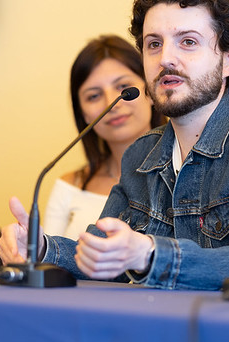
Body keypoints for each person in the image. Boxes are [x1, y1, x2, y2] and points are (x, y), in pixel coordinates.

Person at [0, 0, 229, 298]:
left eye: (188, 42)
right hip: (179, 326)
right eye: (153, 44)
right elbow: (103, 256)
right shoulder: (140, 154)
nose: (166, 59)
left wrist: (148, 254)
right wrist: (40, 248)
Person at [43, 35, 165, 239]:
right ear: (83, 114)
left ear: (151, 90)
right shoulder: (69, 187)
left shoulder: (186, 172)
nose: (112, 103)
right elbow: (45, 258)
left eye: (123, 87)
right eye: (94, 96)